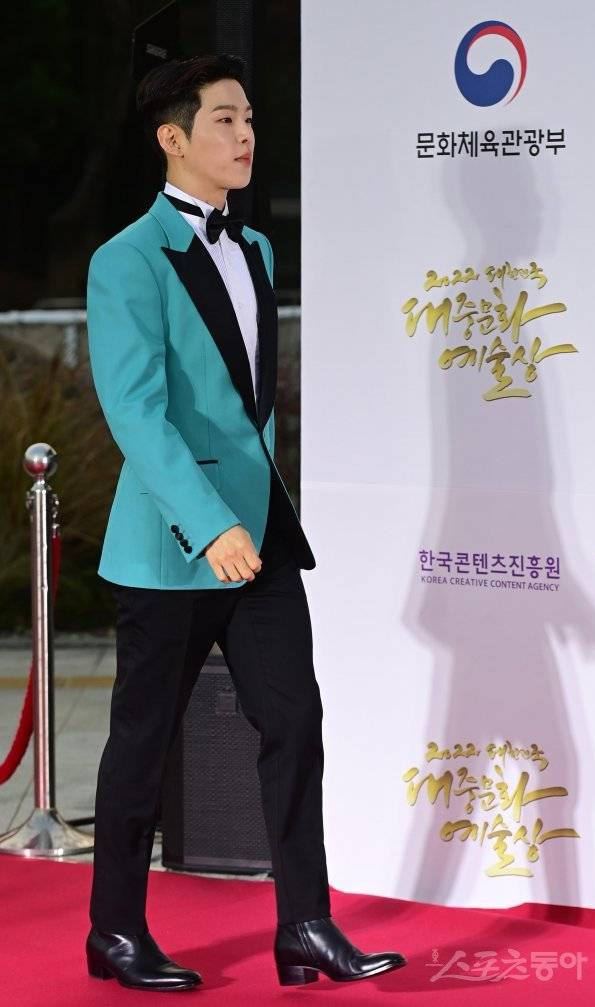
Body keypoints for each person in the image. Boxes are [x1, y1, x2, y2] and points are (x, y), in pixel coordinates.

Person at [84, 53, 406, 992]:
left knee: (294, 721)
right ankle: (114, 930)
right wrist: (208, 522)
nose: (245, 135)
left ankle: (305, 922)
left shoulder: (256, 249)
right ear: (172, 138)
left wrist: (249, 520)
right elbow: (137, 411)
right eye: (225, 119)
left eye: (251, 119)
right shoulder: (125, 259)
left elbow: (247, 407)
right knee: (145, 740)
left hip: (260, 537)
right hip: (172, 545)